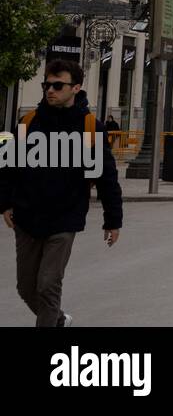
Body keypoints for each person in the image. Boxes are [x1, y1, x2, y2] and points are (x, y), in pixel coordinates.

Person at [0, 59, 123, 327]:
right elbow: (9, 167)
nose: (50, 90)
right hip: (27, 217)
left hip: (65, 217)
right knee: (26, 287)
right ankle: (57, 320)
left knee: (47, 284)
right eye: (47, 85)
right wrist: (5, 202)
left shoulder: (90, 127)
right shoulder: (29, 122)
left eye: (58, 85)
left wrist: (113, 220)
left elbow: (107, 176)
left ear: (76, 88)